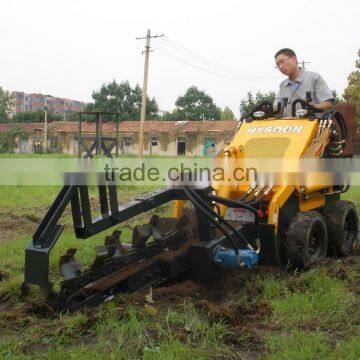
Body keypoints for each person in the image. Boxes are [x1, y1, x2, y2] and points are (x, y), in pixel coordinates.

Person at [274, 48, 334, 117]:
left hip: (312, 125)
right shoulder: (283, 85)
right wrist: (265, 109)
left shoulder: (314, 78)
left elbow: (328, 103)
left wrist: (312, 108)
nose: (280, 67)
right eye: (278, 65)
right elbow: (277, 107)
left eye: (282, 62)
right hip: (290, 127)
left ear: (294, 59)